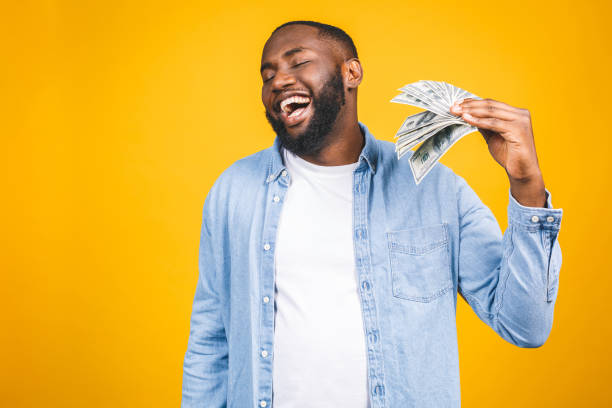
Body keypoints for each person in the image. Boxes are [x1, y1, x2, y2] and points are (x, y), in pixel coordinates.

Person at [181, 20, 563, 408]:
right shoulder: (233, 191)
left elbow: (525, 325)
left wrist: (526, 183)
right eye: (268, 75)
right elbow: (210, 344)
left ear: (351, 72)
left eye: (297, 63)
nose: (278, 81)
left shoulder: (435, 189)